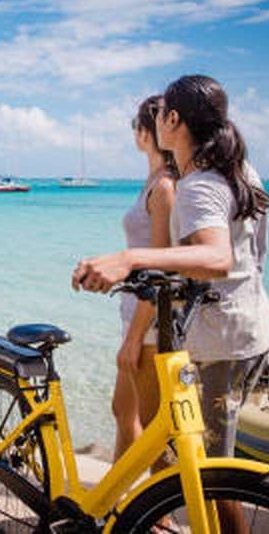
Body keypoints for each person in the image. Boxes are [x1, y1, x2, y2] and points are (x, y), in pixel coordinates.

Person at [72, 74, 269, 532]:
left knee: (214, 476)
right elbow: (254, 255)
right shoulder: (241, 171)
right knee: (188, 455)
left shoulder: (198, 183)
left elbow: (217, 256)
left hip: (219, 340)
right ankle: (145, 517)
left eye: (159, 111)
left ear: (173, 121)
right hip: (251, 329)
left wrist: (130, 259)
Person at [112, 96, 176, 464]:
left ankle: (159, 518)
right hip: (136, 313)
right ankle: (117, 502)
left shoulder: (164, 187)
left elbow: (161, 268)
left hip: (149, 320)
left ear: (143, 133)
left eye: (135, 127)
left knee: (154, 432)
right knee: (123, 411)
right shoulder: (153, 181)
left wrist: (136, 336)